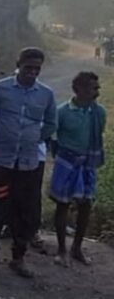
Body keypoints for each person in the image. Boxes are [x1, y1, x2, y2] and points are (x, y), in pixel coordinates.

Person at [0, 48, 57, 279]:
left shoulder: (46, 94)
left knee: (25, 211)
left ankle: (18, 258)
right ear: (18, 64)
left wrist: (35, 138)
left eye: (36, 69)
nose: (32, 73)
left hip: (29, 163)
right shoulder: (1, 88)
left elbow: (52, 123)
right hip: (1, 160)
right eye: (28, 67)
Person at [50, 71, 106, 267]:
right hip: (67, 162)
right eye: (93, 88)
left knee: (86, 204)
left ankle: (77, 248)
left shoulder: (99, 112)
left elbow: (98, 134)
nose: (97, 92)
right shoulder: (63, 111)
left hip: (87, 163)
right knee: (62, 204)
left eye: (97, 87)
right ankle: (61, 249)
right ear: (79, 89)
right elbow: (53, 136)